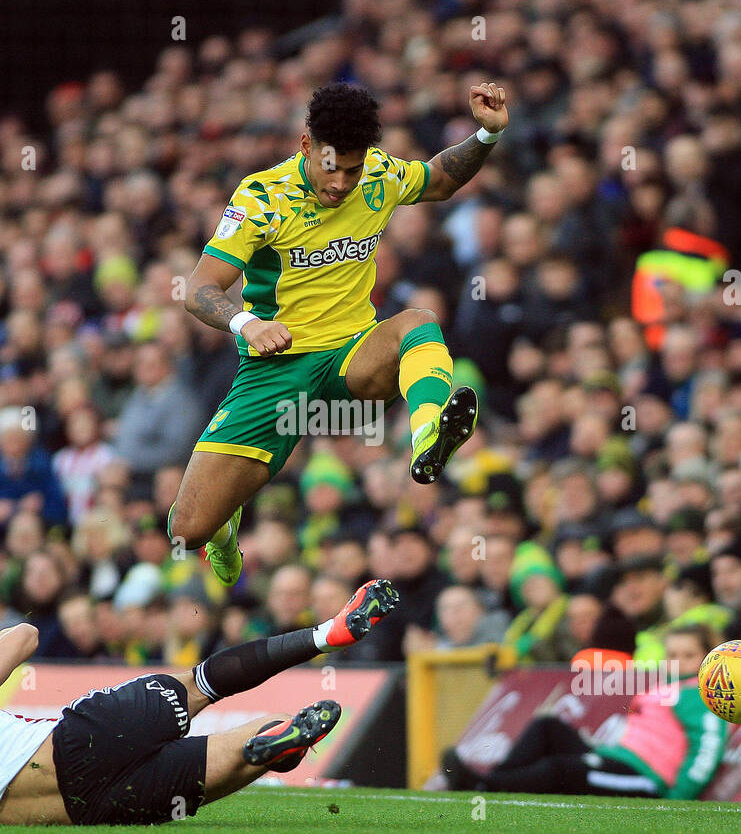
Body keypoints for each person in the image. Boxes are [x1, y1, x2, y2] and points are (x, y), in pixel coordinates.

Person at [168, 81, 510, 587]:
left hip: (352, 356)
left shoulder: (378, 175)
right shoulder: (262, 197)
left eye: (353, 169)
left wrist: (485, 134)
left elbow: (439, 179)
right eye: (333, 168)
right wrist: (248, 322)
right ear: (307, 145)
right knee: (187, 529)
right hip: (275, 371)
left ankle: (427, 436)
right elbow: (198, 289)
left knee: (418, 321)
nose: (343, 183)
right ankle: (225, 529)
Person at [0, 578, 398, 826]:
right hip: (75, 741)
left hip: (90, 809)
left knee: (222, 766)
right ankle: (328, 634)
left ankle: (269, 740)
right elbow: (25, 635)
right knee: (198, 687)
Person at [441, 624, 727, 800]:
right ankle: (495, 780)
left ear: (709, 657)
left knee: (561, 769)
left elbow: (706, 750)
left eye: (689, 655)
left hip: (645, 777)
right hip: (618, 758)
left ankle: (484, 787)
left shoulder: (703, 694)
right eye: (672, 655)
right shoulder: (666, 687)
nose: (678, 662)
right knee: (548, 727)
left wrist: (675, 800)